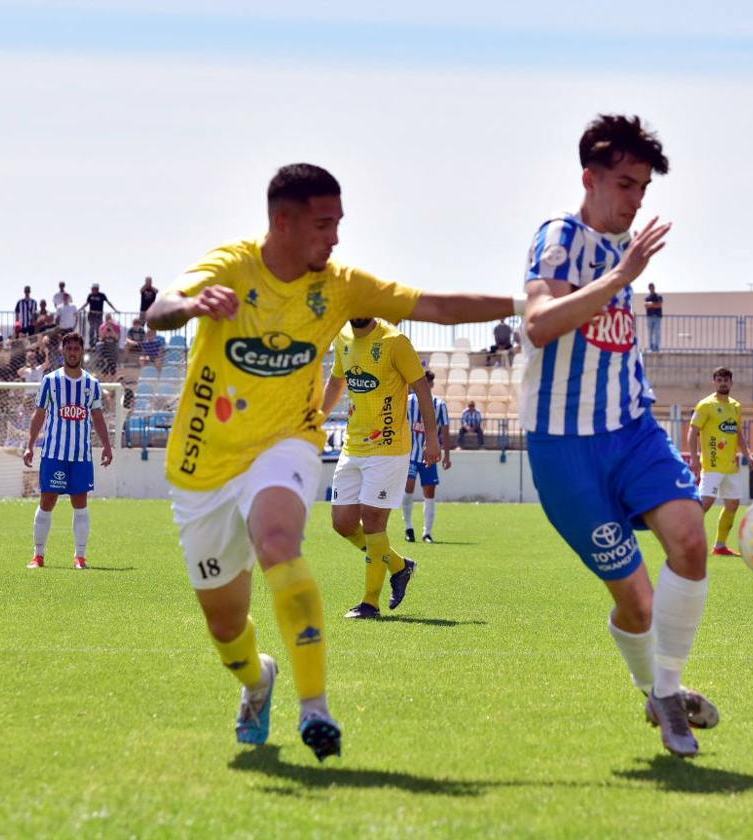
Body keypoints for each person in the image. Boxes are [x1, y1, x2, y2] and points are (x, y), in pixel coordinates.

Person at [143, 162, 516, 762]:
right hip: (203, 461)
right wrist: (188, 306)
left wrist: (532, 302)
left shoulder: (341, 285)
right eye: (324, 224)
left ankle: (315, 707)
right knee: (225, 627)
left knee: (280, 543)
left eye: (339, 223)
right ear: (281, 222)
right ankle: (257, 681)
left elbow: (438, 305)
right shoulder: (232, 265)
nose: (336, 237)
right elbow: (160, 306)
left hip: (286, 442)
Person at [521, 114, 717, 759]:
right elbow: (541, 323)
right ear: (591, 178)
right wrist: (619, 278)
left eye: (643, 188)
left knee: (691, 542)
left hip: (632, 429)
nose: (637, 199)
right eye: (627, 184)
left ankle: (667, 694)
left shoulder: (623, 249)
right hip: (565, 450)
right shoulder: (560, 237)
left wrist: (623, 273)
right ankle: (654, 690)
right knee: (636, 604)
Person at [322, 317, 434, 620]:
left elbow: (421, 388)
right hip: (353, 446)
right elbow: (336, 381)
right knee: (343, 523)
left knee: (373, 524)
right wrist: (315, 419)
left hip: (388, 447)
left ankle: (370, 604)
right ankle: (399, 566)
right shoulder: (342, 336)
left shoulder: (395, 341)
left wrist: (433, 440)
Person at [23, 331, 113, 570]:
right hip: (54, 453)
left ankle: (80, 557)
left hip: (81, 456)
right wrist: (30, 445)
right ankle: (38, 555)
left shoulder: (91, 384)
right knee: (48, 500)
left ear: (81, 352)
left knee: (80, 502)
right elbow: (39, 414)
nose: (73, 352)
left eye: (77, 348)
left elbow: (98, 417)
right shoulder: (50, 381)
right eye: (69, 348)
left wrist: (106, 445)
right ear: (62, 351)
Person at [688, 367, 753, 557]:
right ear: (714, 382)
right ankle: (685, 541)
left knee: (733, 505)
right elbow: (693, 432)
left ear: (731, 382)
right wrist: (694, 459)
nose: (723, 382)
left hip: (731, 466)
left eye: (726, 379)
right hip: (712, 463)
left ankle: (720, 546)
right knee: (706, 503)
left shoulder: (735, 406)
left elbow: (738, 433)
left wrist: (747, 453)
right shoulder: (705, 405)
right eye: (719, 379)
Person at [403, 370, 451, 543]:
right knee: (408, 488)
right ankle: (408, 527)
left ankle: (427, 532)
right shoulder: (408, 402)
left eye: (427, 382)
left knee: (429, 492)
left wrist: (447, 455)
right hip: (409, 454)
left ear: (430, 384)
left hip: (429, 456)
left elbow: (445, 430)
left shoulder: (439, 405)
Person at [84, 283, 119, 348]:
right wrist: (80, 309)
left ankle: (97, 343)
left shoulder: (102, 295)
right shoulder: (90, 295)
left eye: (94, 289)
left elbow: (108, 302)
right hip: (91, 315)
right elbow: (86, 303)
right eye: (92, 289)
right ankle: (91, 344)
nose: (93, 290)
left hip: (99, 315)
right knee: (91, 329)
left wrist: (115, 310)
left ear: (97, 289)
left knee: (98, 329)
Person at [644, 282, 663, 352]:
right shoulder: (647, 298)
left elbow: (659, 305)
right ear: (649, 288)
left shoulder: (658, 297)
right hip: (650, 317)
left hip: (657, 317)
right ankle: (651, 348)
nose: (651, 288)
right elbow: (646, 305)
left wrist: (651, 304)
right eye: (650, 287)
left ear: (654, 288)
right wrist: (654, 304)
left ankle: (657, 348)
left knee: (657, 332)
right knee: (650, 333)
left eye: (652, 287)